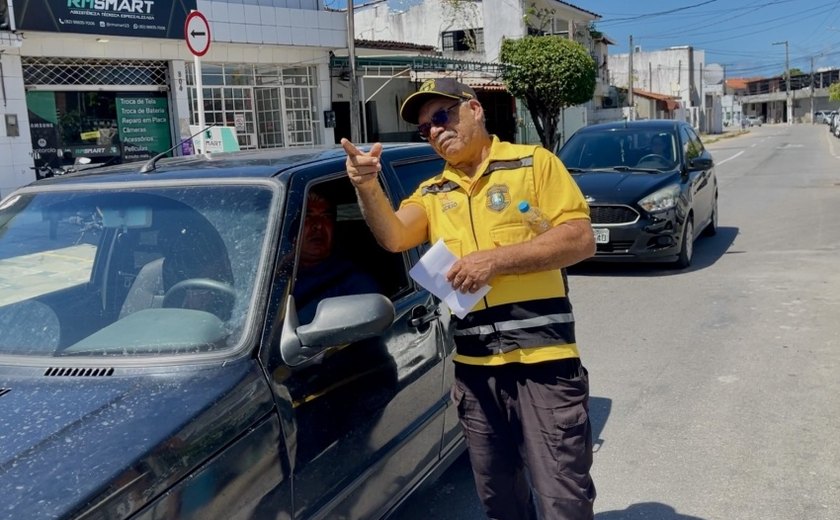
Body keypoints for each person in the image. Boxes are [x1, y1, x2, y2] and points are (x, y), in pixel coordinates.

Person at [341, 78, 597, 520]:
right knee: (500, 502)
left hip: (546, 364)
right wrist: (366, 186)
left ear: (474, 109)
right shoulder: (432, 192)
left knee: (563, 500)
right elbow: (394, 236)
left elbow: (579, 239)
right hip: (476, 373)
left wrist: (495, 261)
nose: (435, 131)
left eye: (442, 117)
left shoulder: (532, 164)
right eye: (425, 129)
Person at [293, 189, 381, 324]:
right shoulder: (268, 274)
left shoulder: (353, 283)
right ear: (291, 229)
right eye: (307, 217)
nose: (318, 225)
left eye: (325, 217)